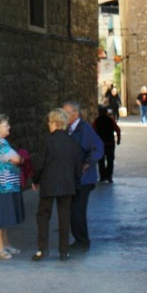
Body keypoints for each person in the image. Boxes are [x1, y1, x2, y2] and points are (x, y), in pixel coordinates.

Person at [31, 108, 82, 262]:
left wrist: (35, 180)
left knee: (43, 215)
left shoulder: (47, 141)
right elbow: (77, 166)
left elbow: (40, 164)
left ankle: (42, 249)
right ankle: (64, 251)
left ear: (54, 123)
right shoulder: (72, 142)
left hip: (49, 183)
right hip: (67, 184)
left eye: (49, 122)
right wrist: (76, 183)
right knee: (64, 217)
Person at [62, 100, 104, 250]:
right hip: (73, 177)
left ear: (75, 113)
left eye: (66, 113)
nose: (63, 116)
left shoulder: (84, 129)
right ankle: (80, 239)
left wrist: (87, 162)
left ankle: (82, 241)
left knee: (77, 211)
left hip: (84, 179)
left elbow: (98, 148)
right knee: (74, 210)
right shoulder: (68, 129)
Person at [0, 113, 25, 260]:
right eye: (5, 125)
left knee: (4, 215)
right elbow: (15, 159)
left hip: (5, 185)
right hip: (0, 185)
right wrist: (20, 158)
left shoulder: (1, 141)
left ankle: (6, 244)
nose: (9, 127)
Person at [94, 105, 121, 183]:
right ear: (106, 112)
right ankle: (109, 176)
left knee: (101, 161)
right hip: (110, 143)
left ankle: (102, 176)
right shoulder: (111, 120)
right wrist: (118, 139)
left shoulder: (97, 121)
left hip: (100, 144)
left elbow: (93, 132)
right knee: (110, 160)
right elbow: (117, 129)